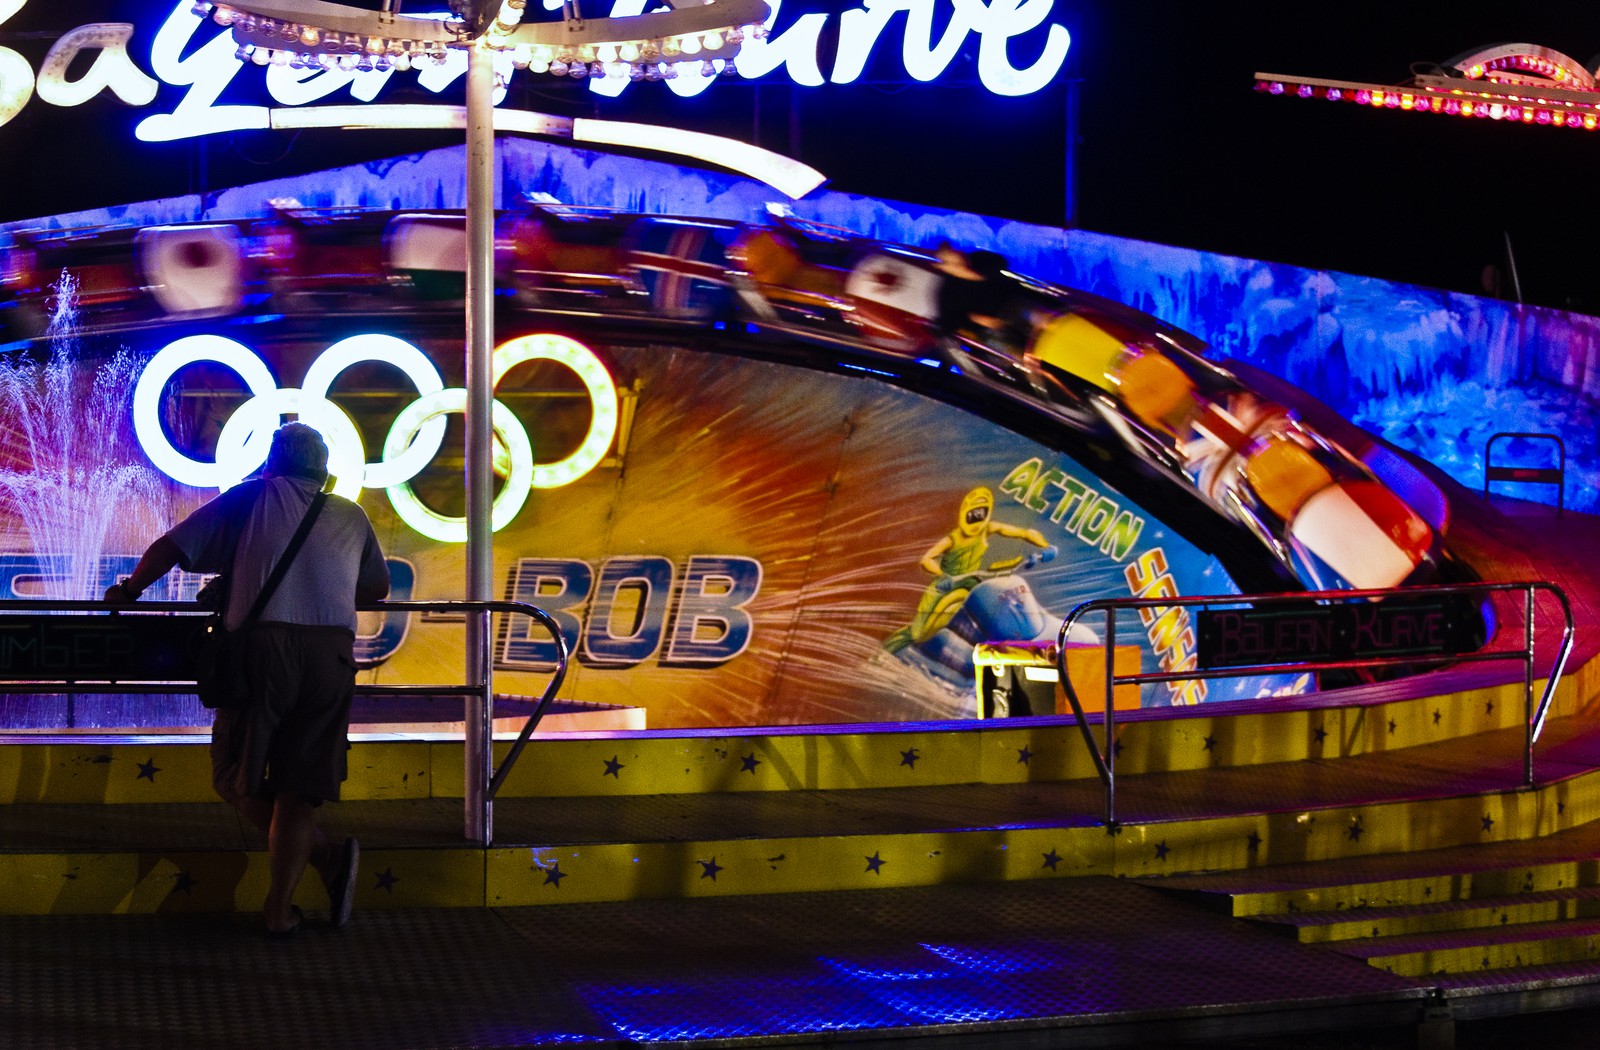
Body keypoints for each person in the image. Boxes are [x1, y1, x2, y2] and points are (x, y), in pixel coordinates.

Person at [105, 422, 389, 937]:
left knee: (232, 777)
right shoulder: (351, 514)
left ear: (272, 463)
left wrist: (129, 590)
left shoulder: (253, 497)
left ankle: (326, 858)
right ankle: (279, 911)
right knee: (298, 791)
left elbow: (173, 546)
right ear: (324, 471)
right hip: (332, 657)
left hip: (265, 653)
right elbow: (375, 587)